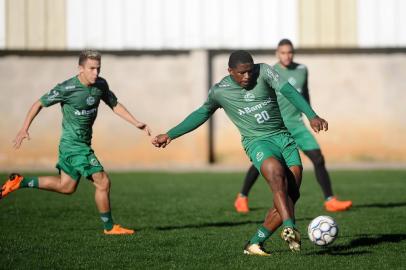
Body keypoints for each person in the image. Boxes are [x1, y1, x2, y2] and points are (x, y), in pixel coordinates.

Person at [152, 50, 328, 256]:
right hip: (257, 142)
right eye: (241, 73)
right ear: (230, 71)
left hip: (283, 138)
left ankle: (254, 243)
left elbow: (289, 91)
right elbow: (201, 113)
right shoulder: (220, 91)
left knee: (291, 196)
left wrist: (312, 115)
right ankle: (289, 227)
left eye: (250, 71)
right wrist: (170, 134)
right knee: (275, 171)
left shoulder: (265, 72)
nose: (247, 77)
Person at [0, 50, 151, 235]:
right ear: (80, 68)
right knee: (103, 182)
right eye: (92, 68)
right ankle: (110, 227)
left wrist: (136, 122)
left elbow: (114, 104)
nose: (96, 72)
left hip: (76, 145)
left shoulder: (101, 85)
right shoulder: (67, 88)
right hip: (74, 146)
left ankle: (21, 182)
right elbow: (38, 103)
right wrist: (24, 128)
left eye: (98, 68)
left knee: (67, 187)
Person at [234, 39, 352, 214]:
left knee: (318, 159)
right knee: (264, 163)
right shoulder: (269, 71)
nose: (286, 56)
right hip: (278, 127)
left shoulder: (302, 70)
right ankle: (242, 197)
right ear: (277, 53)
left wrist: (310, 115)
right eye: (282, 52)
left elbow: (303, 94)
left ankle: (330, 200)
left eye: (289, 52)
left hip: (297, 124)